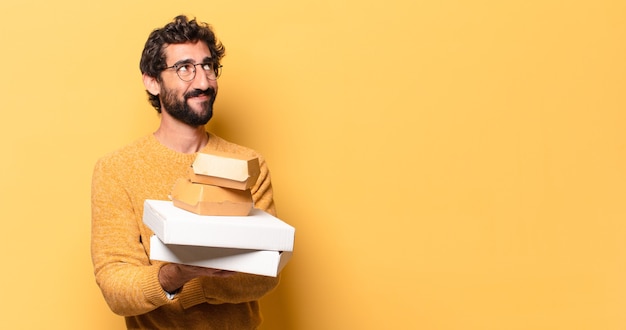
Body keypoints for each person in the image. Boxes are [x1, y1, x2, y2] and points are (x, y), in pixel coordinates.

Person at [91, 15, 280, 329]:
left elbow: (265, 273)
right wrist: (173, 275)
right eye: (185, 68)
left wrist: (192, 280)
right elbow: (116, 285)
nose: (203, 82)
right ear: (152, 81)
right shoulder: (116, 170)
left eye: (208, 66)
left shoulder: (249, 164)